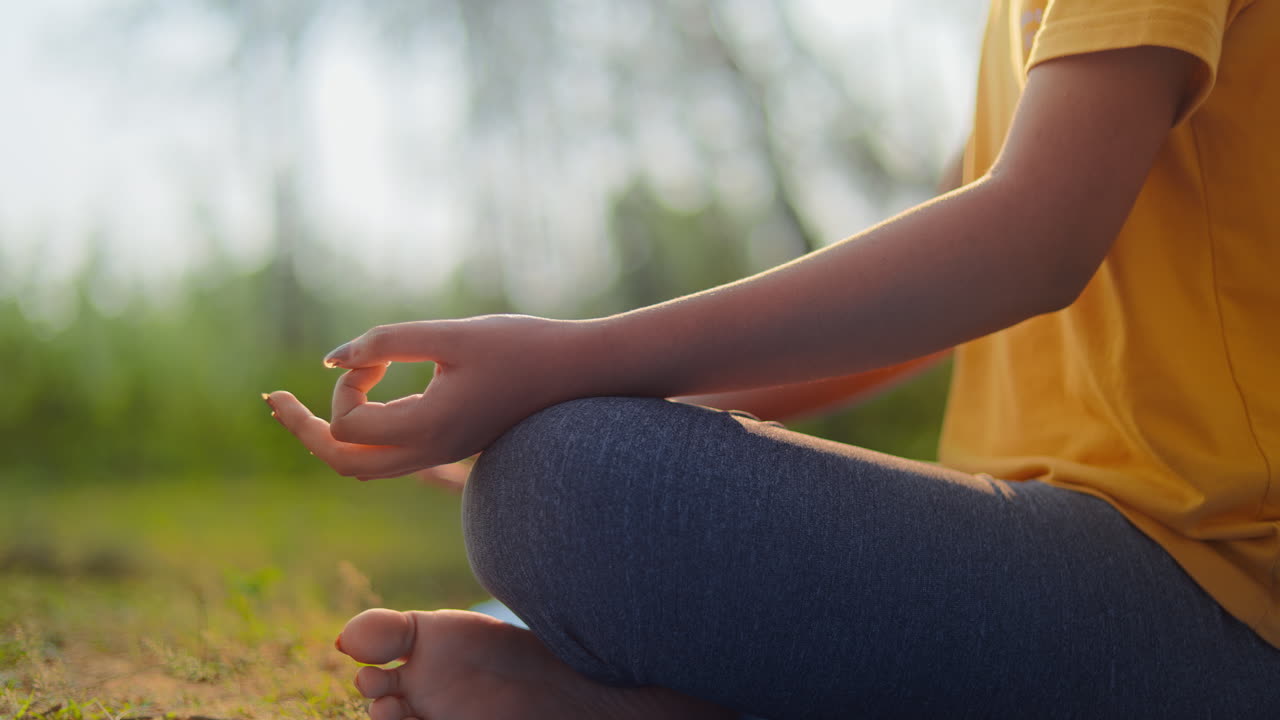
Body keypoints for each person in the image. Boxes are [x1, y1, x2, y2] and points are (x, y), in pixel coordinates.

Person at [265, 0, 1280, 716]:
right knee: (555, 466)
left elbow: (1030, 243)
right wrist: (525, 406)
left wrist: (570, 363)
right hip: (1046, 546)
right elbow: (932, 285)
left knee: (576, 484)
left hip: (1219, 594)